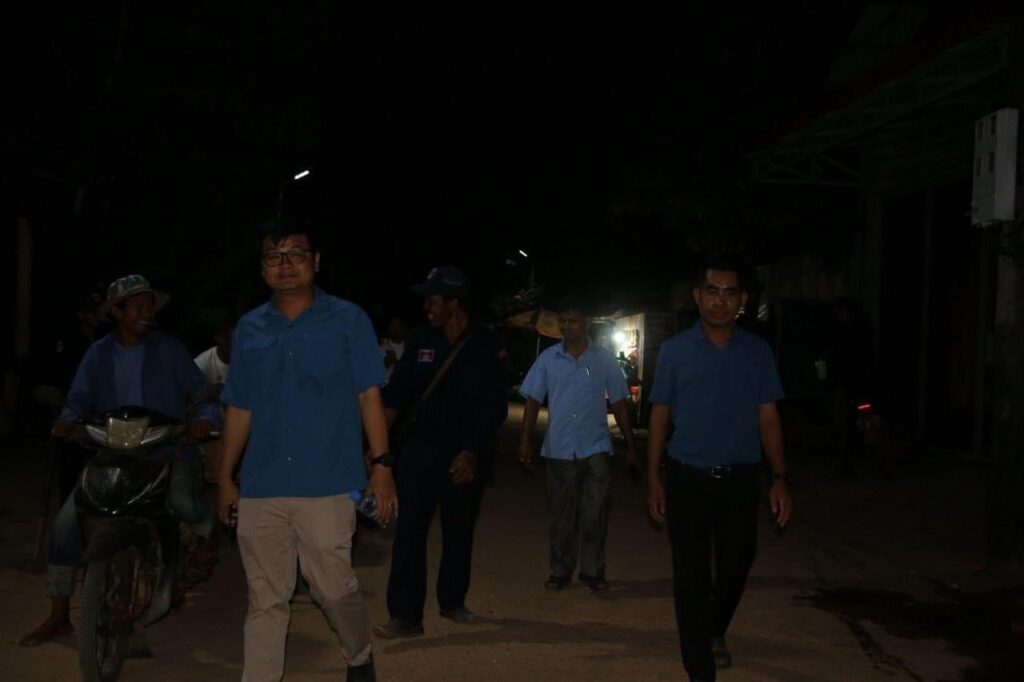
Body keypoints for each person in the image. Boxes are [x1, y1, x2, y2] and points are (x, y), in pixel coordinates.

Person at [217, 217, 396, 682]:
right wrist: (225, 478)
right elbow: (239, 407)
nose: (286, 264)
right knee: (266, 599)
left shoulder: (348, 320)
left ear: (315, 261)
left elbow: (368, 394)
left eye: (295, 254)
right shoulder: (249, 328)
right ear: (263, 269)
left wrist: (381, 466)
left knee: (333, 588)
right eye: (274, 257)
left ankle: (359, 655)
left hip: (329, 481)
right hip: (262, 484)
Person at [20, 274, 220, 647]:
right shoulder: (98, 354)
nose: (147, 313)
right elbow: (79, 397)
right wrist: (66, 418)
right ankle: (59, 616)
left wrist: (205, 416)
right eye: (137, 306)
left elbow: (200, 390)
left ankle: (209, 532)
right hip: (112, 452)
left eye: (150, 306)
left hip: (166, 447)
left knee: (181, 502)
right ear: (116, 311)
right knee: (64, 524)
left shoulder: (169, 349)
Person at [646, 260, 793, 682]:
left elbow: (768, 416)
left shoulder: (757, 352)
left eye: (730, 292)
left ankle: (714, 627)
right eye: (712, 291)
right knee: (690, 574)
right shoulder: (675, 351)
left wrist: (780, 477)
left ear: (742, 300)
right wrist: (654, 478)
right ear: (698, 296)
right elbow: (660, 414)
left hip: (739, 479)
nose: (720, 300)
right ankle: (700, 666)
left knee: (737, 564)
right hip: (687, 477)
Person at [373, 266, 508, 639]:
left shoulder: (486, 344)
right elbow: (395, 397)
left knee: (458, 531)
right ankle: (405, 616)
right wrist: (375, 447)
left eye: (432, 300)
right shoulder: (419, 340)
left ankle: (452, 601)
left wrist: (473, 452)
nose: (426, 307)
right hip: (419, 452)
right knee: (409, 533)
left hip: (464, 455)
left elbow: (495, 407)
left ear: (453, 302)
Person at [518, 297, 638, 592]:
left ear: (587, 322)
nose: (566, 325)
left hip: (595, 447)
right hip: (559, 448)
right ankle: (561, 570)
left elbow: (619, 403)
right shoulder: (548, 359)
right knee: (562, 515)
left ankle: (592, 571)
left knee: (595, 514)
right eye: (563, 320)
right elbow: (532, 400)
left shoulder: (604, 359)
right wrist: (525, 439)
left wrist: (631, 446)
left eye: (572, 320)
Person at [380, 316, 408, 383]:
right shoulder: (380, 348)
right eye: (393, 326)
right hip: (386, 385)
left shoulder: (410, 347)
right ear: (389, 328)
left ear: (404, 328)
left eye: (399, 326)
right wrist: (384, 363)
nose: (396, 328)